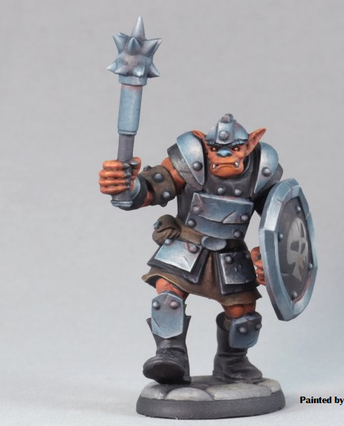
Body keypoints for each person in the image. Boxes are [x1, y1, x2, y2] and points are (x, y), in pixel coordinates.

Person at [99, 113, 283, 384]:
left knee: (244, 317)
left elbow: (277, 220)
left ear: (251, 143)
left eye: (234, 148)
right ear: (203, 144)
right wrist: (128, 186)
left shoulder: (262, 171)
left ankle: (232, 362)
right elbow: (152, 188)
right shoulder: (191, 161)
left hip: (231, 254)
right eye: (215, 148)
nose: (223, 154)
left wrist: (270, 258)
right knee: (168, 297)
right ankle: (171, 355)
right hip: (186, 245)